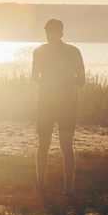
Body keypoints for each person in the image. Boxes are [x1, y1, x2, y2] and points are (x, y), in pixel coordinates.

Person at [31, 18, 85, 195]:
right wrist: (66, 79)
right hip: (59, 103)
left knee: (52, 144)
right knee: (57, 144)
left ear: (60, 33)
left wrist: (52, 80)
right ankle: (58, 187)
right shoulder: (72, 51)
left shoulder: (42, 51)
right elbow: (81, 80)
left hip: (56, 103)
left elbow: (35, 78)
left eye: (50, 33)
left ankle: (50, 186)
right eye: (48, 34)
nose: (49, 37)